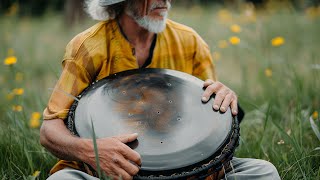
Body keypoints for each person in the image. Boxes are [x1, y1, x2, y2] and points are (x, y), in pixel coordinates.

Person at [40, 0, 281, 179]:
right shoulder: (88, 47)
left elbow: (212, 126)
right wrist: (91, 151)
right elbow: (49, 131)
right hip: (108, 172)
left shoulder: (190, 42)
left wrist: (227, 101)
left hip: (184, 174)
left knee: (264, 172)